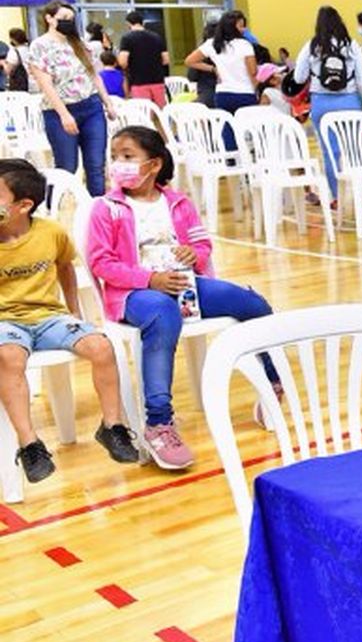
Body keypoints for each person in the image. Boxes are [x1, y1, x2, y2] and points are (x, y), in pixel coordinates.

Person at [86, 126, 279, 470]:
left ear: (154, 164)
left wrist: (195, 255)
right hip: (135, 294)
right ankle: (159, 423)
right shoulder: (107, 208)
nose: (118, 164)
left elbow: (202, 245)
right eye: (115, 157)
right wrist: (149, 279)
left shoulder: (178, 203)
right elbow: (101, 263)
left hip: (185, 285)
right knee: (162, 313)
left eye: (128, 157)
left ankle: (273, 384)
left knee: (254, 304)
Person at [0, 159, 138, 482]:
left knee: (101, 347)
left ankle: (112, 426)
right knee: (7, 357)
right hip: (6, 320)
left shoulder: (51, 233)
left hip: (50, 316)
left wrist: (74, 309)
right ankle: (29, 444)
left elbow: (65, 266)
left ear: (24, 206)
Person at [28, 0, 118, 195]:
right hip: (59, 111)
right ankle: (53, 209)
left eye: (71, 18)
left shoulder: (81, 44)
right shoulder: (39, 46)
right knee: (66, 167)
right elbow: (46, 84)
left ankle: (97, 211)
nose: (68, 21)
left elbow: (94, 75)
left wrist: (108, 103)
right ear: (49, 19)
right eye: (63, 18)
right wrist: (64, 114)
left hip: (92, 107)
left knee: (96, 166)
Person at [293, 6, 362, 206]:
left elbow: (298, 77)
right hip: (349, 101)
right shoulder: (351, 45)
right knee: (354, 149)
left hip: (321, 103)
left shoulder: (312, 45)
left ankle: (336, 197)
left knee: (330, 152)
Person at [183, 10, 258, 150]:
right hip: (245, 94)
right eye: (241, 26)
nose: (244, 29)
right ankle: (250, 158)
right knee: (249, 128)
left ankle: (231, 158)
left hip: (223, 94)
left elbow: (189, 61)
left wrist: (213, 69)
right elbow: (253, 72)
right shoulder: (245, 45)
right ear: (233, 26)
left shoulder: (212, 43)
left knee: (227, 128)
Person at [115, 10, 171, 107]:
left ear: (128, 23)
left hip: (138, 81)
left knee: (144, 113)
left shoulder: (127, 38)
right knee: (161, 112)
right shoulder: (157, 37)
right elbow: (166, 60)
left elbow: (123, 62)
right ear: (142, 22)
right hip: (157, 80)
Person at [5, 28, 33, 92]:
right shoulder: (30, 49)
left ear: (13, 39)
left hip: (20, 84)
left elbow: (8, 70)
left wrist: (3, 63)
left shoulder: (14, 52)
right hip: (33, 82)